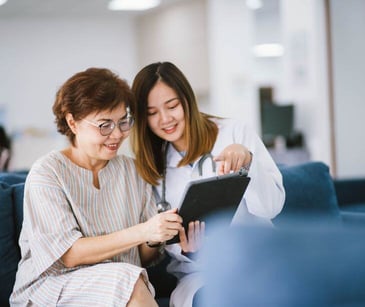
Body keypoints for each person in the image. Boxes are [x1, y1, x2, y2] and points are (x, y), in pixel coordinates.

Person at [10, 67, 183, 306]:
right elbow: (70, 255)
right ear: (72, 122)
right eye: (104, 125)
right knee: (127, 281)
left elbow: (142, 256)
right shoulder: (48, 173)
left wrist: (155, 236)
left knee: (128, 279)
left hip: (119, 283)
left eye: (123, 122)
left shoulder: (132, 171)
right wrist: (143, 230)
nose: (117, 135)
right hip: (54, 287)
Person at [130, 61, 285, 307]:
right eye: (152, 113)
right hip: (200, 276)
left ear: (187, 101)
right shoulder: (153, 168)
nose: (165, 119)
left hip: (259, 257)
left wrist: (248, 161)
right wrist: (191, 250)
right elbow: (158, 246)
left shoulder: (234, 132)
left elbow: (271, 208)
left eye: (172, 106)